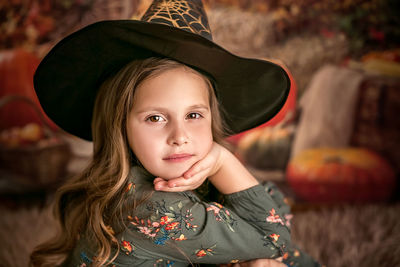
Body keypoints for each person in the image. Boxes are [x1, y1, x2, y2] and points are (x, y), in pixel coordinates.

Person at [30, 1, 321, 267]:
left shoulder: (141, 179)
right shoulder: (154, 209)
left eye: (193, 115)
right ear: (120, 126)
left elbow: (272, 203)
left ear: (211, 117)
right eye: (155, 118)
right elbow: (274, 237)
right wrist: (223, 162)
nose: (179, 136)